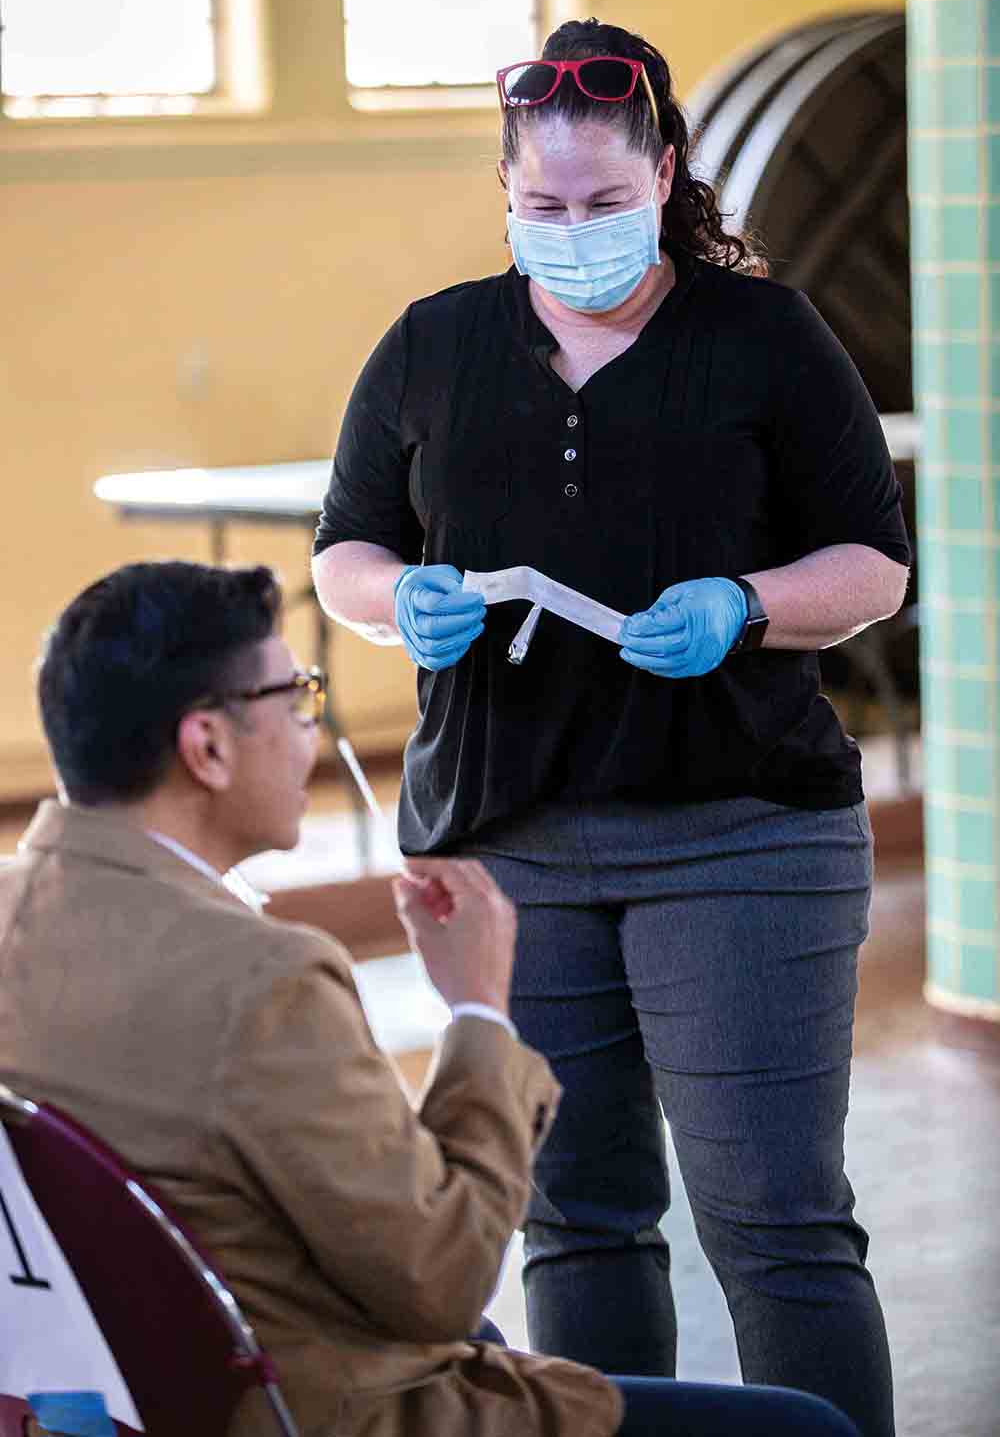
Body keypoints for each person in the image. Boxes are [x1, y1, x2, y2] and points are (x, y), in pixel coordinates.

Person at [311, 17, 909, 1437]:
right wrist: (405, 600)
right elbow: (347, 551)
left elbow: (873, 568)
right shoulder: (434, 343)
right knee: (572, 1218)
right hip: (508, 846)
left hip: (741, 834)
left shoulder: (762, 336)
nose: (572, 230)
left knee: (776, 1220)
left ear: (665, 179)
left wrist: (747, 605)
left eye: (603, 204)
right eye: (543, 206)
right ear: (505, 195)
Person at [0, 560, 860, 1437]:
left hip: (108, 1405)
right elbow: (438, 1285)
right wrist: (480, 1013)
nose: (311, 726)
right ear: (208, 747)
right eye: (295, 696)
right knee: (806, 1427)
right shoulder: (261, 978)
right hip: (301, 1406)